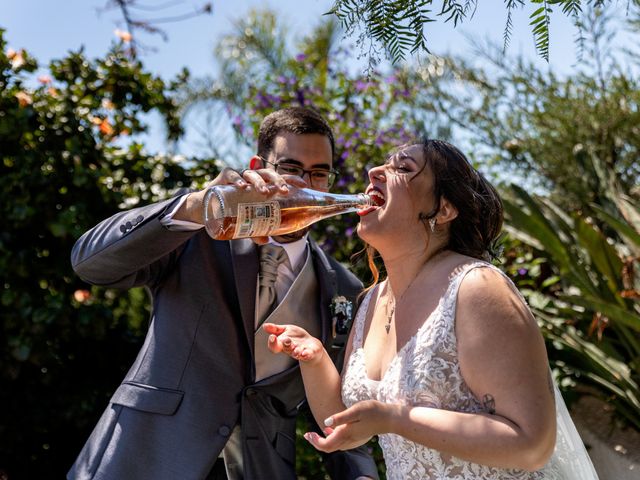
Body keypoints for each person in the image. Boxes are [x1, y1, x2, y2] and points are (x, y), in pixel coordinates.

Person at [68, 107, 379, 480]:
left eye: (318, 173)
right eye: (290, 169)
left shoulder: (346, 289)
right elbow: (91, 263)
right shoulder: (197, 233)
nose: (304, 184)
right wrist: (195, 206)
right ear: (259, 167)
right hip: (145, 457)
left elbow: (341, 409)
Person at [264, 139, 599, 479]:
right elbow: (351, 427)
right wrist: (315, 357)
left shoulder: (475, 287)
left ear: (444, 209)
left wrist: (396, 419)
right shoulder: (372, 301)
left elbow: (531, 445)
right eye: (383, 164)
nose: (374, 171)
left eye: (403, 168)